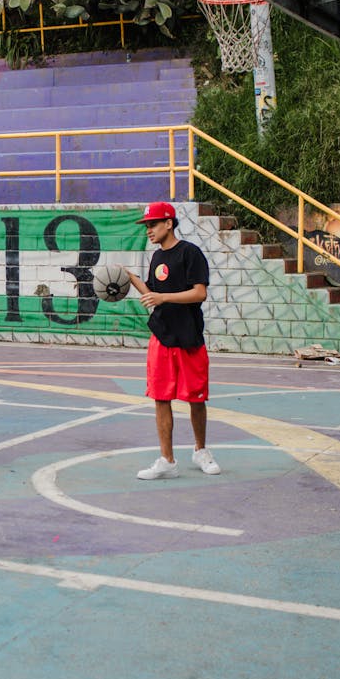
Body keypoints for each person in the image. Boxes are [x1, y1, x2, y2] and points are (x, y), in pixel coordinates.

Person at [125, 201, 221, 480]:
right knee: (160, 398)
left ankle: (200, 450)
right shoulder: (156, 259)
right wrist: (130, 279)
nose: (149, 230)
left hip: (189, 337)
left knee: (196, 398)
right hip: (162, 337)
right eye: (146, 226)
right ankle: (167, 460)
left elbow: (199, 293)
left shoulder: (190, 253)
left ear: (169, 223)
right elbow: (152, 296)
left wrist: (163, 297)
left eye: (152, 224)